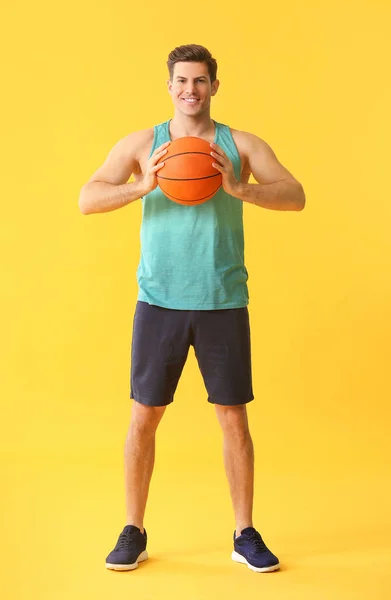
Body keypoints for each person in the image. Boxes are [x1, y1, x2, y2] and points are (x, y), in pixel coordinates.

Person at [79, 44, 305, 573]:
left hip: (223, 300)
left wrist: (239, 188)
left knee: (233, 419)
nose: (190, 90)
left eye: (200, 81)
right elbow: (87, 197)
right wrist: (142, 186)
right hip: (158, 302)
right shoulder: (144, 145)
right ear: (169, 85)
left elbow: (295, 194)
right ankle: (133, 530)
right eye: (182, 80)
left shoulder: (240, 145)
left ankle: (244, 532)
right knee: (144, 418)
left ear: (214, 86)